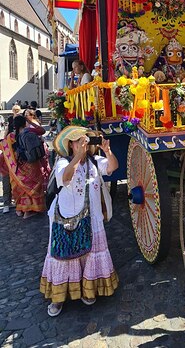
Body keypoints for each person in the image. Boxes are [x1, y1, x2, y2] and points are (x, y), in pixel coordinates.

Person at [40, 126, 119, 317]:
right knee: (62, 255)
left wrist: (107, 151)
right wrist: (77, 157)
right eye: (78, 141)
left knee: (90, 254)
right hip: (67, 219)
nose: (82, 143)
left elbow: (112, 167)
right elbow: (65, 177)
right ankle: (58, 297)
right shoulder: (62, 162)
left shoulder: (94, 162)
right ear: (71, 145)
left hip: (92, 219)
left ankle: (89, 289)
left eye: (84, 140)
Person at [0, 115, 50, 219]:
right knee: (33, 185)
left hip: (18, 167)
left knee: (20, 187)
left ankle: (21, 209)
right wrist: (30, 121)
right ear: (24, 123)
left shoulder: (10, 137)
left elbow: (4, 149)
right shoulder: (29, 132)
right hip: (32, 165)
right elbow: (42, 130)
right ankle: (31, 210)